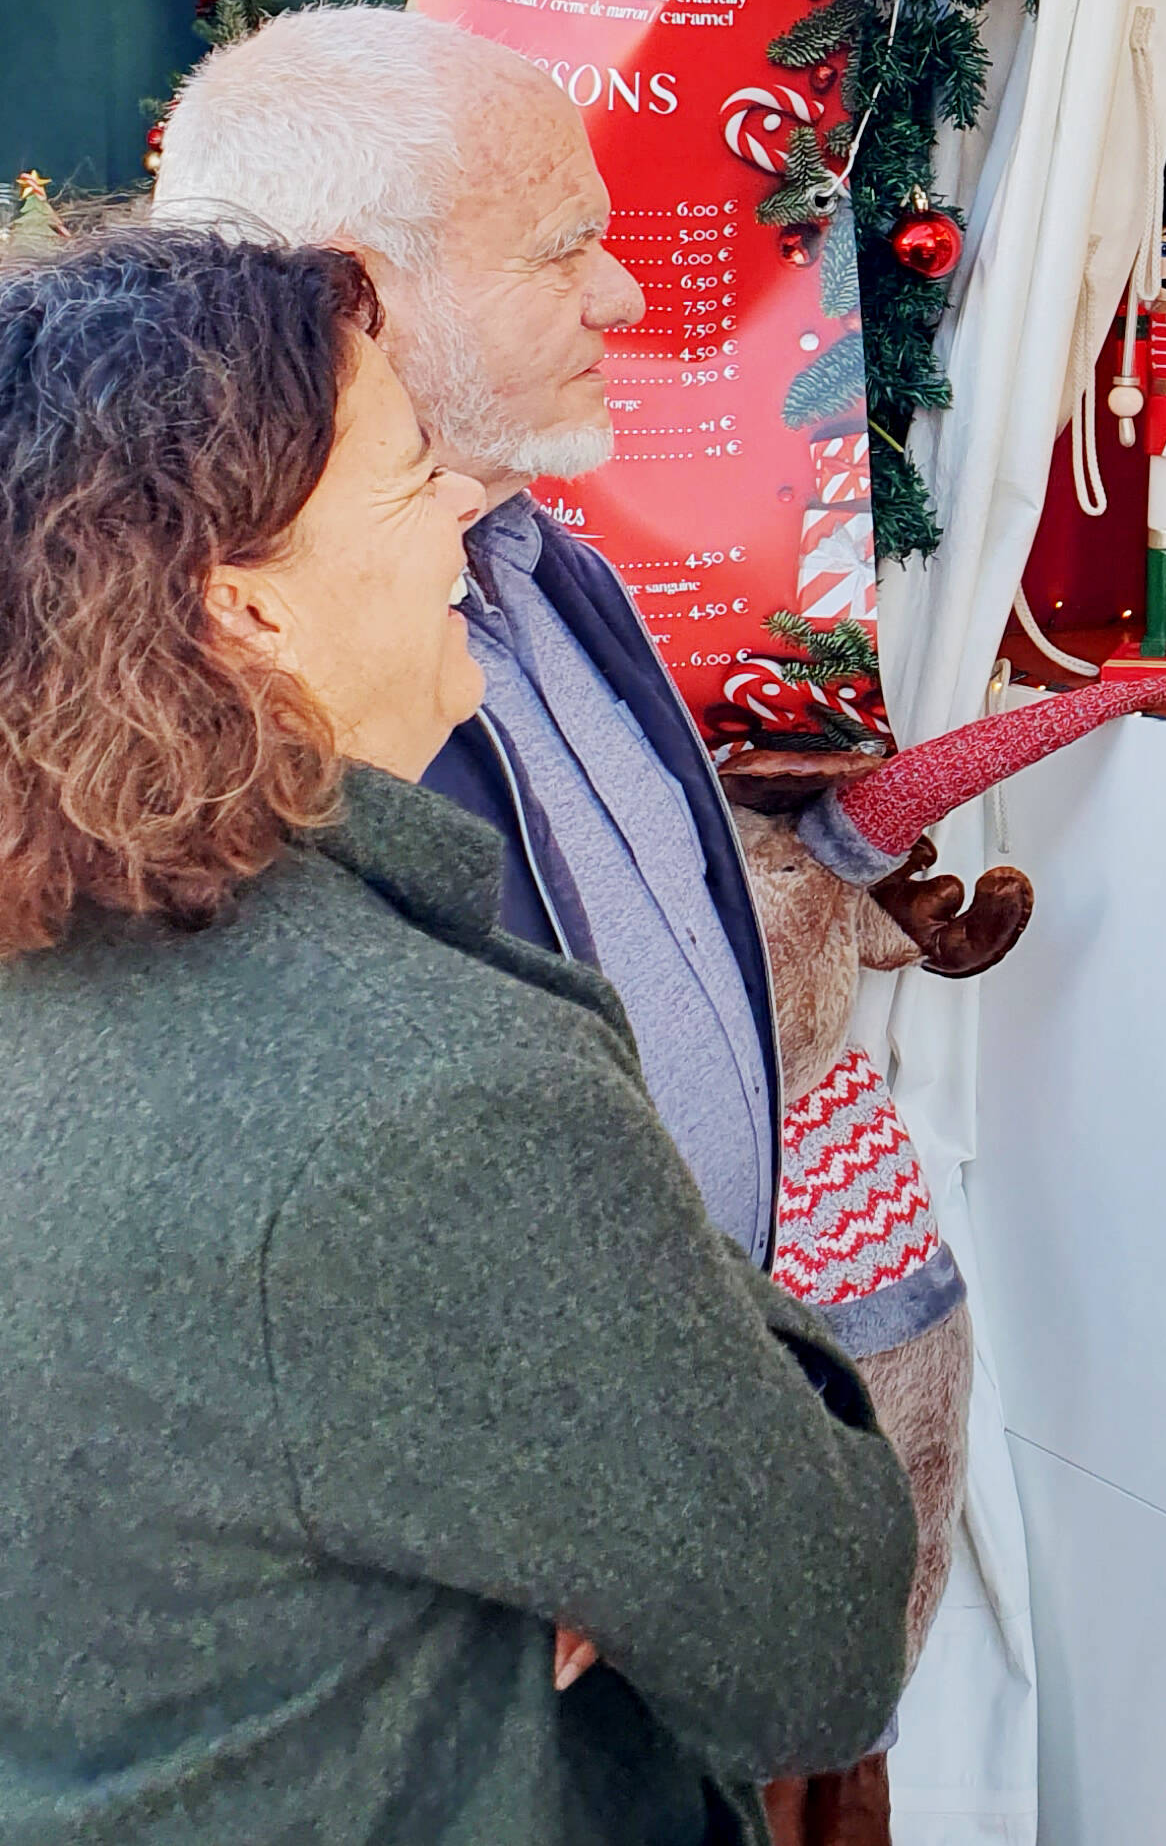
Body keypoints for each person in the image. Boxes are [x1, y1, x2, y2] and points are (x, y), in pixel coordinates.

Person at [0, 227, 912, 1841]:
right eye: (419, 475)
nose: (465, 528)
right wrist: (673, 1369)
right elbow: (813, 1641)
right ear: (243, 611)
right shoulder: (435, 1097)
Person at [153, 8, 781, 1260]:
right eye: (563, 251)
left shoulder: (548, 561)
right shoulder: (201, 692)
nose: (625, 293)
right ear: (351, 296)